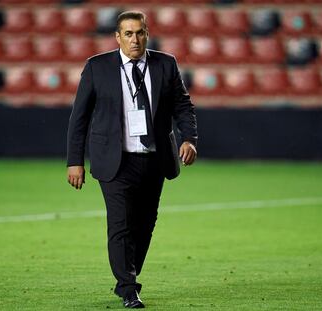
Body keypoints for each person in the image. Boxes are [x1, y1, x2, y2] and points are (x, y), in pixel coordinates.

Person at [67, 11, 198, 309]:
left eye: (139, 33)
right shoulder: (97, 67)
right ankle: (128, 288)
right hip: (115, 161)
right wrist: (74, 160)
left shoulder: (166, 63)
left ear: (147, 34)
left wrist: (190, 138)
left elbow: (183, 105)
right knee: (120, 225)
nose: (134, 39)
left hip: (154, 160)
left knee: (145, 225)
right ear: (117, 37)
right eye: (128, 33)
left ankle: (127, 274)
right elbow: (79, 118)